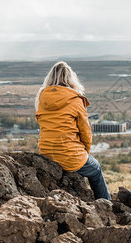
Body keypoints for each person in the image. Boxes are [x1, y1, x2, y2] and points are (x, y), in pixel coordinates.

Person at [35, 61, 111, 200]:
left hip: (46, 153)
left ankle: (80, 199)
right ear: (71, 79)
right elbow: (85, 132)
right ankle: (106, 204)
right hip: (69, 156)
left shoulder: (42, 98)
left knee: (79, 170)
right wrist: (85, 152)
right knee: (96, 169)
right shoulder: (75, 100)